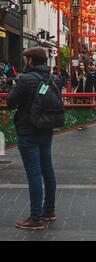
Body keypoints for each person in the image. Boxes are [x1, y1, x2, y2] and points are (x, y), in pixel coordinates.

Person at [6, 47, 57, 230]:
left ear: (30, 61)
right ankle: (49, 210)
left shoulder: (26, 79)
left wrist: (15, 86)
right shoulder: (51, 78)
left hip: (28, 129)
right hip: (46, 128)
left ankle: (35, 218)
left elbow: (11, 101)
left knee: (34, 173)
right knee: (47, 170)